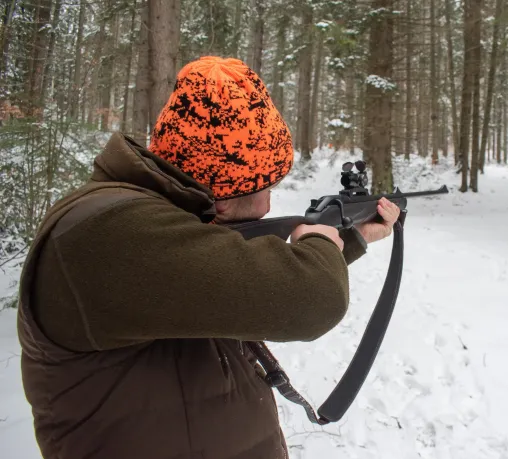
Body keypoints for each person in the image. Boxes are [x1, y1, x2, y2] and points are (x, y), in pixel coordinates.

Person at [17, 56, 400, 459]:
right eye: (266, 185)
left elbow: (235, 283)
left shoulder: (157, 229)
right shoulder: (110, 230)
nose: (270, 204)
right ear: (220, 195)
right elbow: (311, 300)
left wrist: (350, 239)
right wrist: (320, 243)